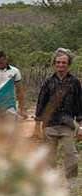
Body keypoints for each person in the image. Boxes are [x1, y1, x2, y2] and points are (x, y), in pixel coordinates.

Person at [35, 49, 82, 178]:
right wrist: (37, 127)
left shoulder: (74, 82)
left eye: (64, 62)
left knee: (71, 154)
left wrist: (80, 126)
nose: (61, 65)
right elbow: (41, 103)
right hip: (50, 125)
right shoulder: (48, 82)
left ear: (68, 64)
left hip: (67, 125)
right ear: (54, 64)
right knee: (50, 156)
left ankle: (71, 182)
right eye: (58, 62)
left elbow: (79, 104)